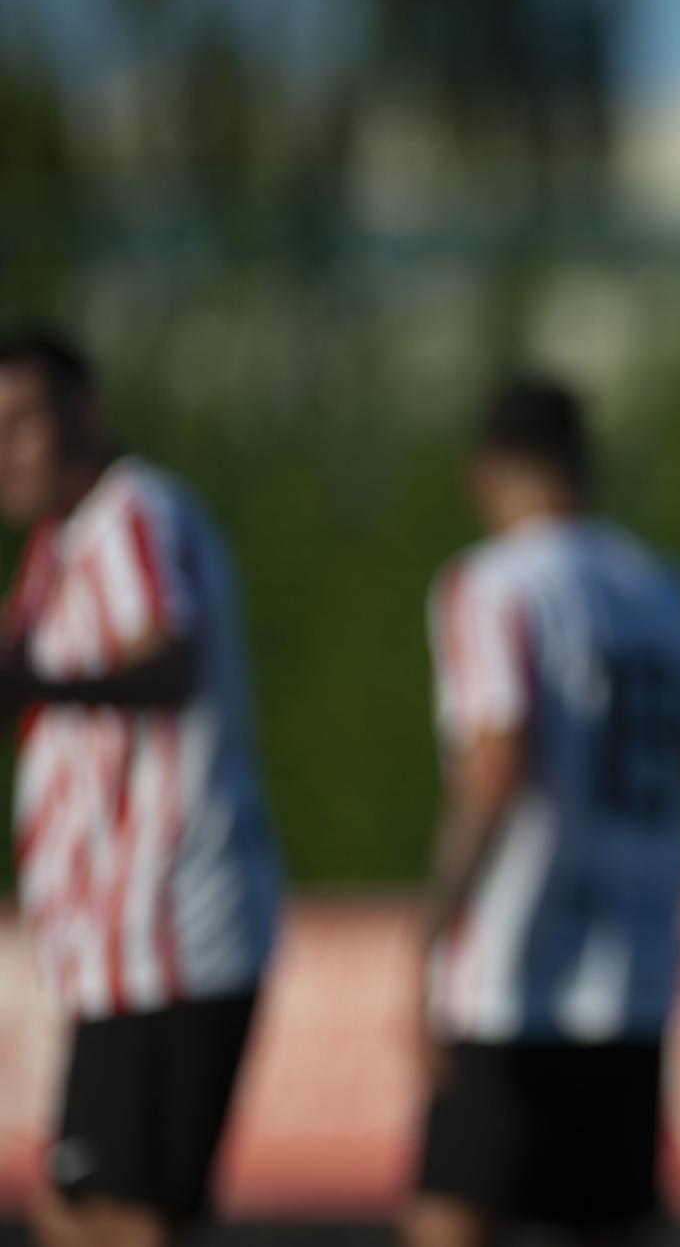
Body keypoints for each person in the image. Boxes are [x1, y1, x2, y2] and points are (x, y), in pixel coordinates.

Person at [406, 378, 680, 1247]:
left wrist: (431, 930)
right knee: (604, 1221)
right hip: (635, 964)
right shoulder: (664, 591)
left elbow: (496, 766)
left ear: (485, 473)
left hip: (513, 965)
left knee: (453, 1213)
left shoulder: (491, 586)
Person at [0, 329, 283, 1247]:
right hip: (117, 945)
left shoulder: (133, 511)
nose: (3, 451)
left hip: (168, 927)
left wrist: (40, 683)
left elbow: (167, 654)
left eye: (20, 423)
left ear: (85, 414)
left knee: (126, 1217)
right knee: (70, 1210)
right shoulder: (59, 547)